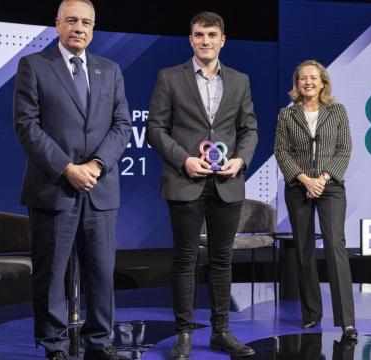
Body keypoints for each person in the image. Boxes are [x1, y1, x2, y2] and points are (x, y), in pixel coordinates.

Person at [13, 1, 131, 359]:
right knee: (51, 275)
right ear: (57, 24)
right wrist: (67, 168)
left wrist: (95, 164)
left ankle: (100, 342)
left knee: (101, 274)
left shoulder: (109, 70)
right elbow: (27, 126)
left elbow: (121, 125)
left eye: (86, 22)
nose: (79, 27)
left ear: (93, 28)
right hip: (54, 188)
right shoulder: (33, 65)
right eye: (72, 21)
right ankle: (54, 346)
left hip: (99, 189)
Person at [146, 11, 258, 359]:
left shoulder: (240, 80)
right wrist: (184, 159)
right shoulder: (169, 77)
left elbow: (249, 129)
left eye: (212, 34)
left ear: (223, 40)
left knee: (222, 260)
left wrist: (240, 160)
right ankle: (184, 333)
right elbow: (155, 129)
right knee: (185, 260)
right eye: (199, 34)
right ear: (190, 39)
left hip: (227, 183)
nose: (205, 40)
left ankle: (221, 331)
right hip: (186, 180)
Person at [274, 60, 357, 341]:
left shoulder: (337, 111)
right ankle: (311, 315)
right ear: (296, 84)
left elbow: (344, 149)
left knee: (335, 246)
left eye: (313, 78)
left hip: (330, 186)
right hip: (298, 187)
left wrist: (321, 179)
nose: (308, 82)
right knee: (304, 249)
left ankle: (347, 321)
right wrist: (304, 180)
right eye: (302, 79)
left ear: (323, 82)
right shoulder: (287, 115)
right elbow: (281, 152)